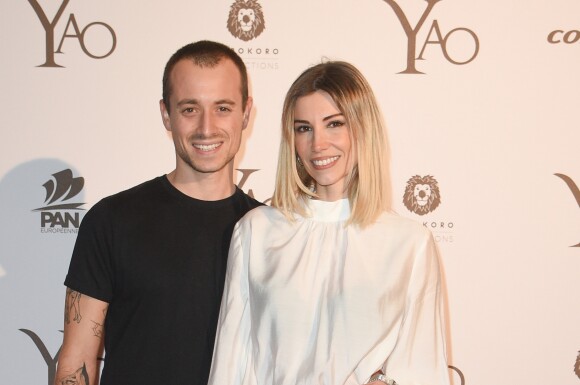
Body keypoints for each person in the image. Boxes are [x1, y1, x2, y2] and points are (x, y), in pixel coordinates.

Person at [208, 61, 450, 385]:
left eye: (334, 124)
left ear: (363, 127)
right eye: (303, 128)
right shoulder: (257, 231)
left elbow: (424, 370)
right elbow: (230, 364)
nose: (318, 144)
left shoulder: (409, 243)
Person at [54, 40, 262, 385]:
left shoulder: (272, 233)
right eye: (189, 109)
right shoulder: (111, 221)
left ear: (246, 112)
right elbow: (76, 362)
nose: (207, 128)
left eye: (223, 108)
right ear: (166, 114)